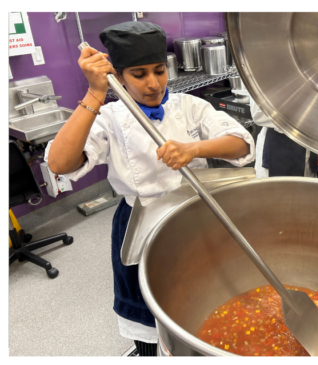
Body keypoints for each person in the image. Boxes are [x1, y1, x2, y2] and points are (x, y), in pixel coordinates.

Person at [44, 22, 254, 356]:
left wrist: (193, 150)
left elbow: (241, 144)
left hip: (195, 212)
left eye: (159, 71)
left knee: (202, 295)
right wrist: (95, 93)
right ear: (120, 77)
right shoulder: (109, 117)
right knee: (144, 306)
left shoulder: (188, 106)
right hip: (139, 221)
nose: (153, 83)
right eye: (139, 74)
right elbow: (59, 163)